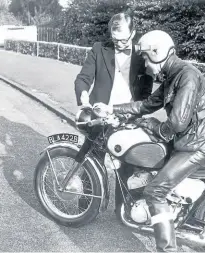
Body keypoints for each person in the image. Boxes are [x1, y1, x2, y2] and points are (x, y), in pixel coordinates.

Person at [94, 30, 205, 252]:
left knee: (155, 191)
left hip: (198, 144)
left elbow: (177, 123)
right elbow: (146, 104)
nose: (144, 63)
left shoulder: (187, 76)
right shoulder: (173, 75)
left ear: (157, 52)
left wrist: (153, 125)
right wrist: (112, 109)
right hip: (192, 138)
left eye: (145, 57)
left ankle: (167, 249)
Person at [74, 12, 154, 216]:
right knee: (92, 162)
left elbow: (145, 93)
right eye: (115, 39)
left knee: (127, 168)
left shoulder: (141, 55)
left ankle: (124, 212)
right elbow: (83, 78)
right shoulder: (99, 50)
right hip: (100, 118)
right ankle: (85, 210)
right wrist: (83, 95)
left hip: (127, 119)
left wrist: (132, 114)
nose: (118, 44)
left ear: (133, 33)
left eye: (123, 39)